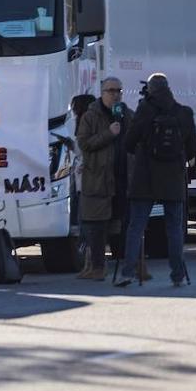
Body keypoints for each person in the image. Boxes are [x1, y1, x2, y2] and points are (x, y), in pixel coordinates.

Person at [118, 73, 196, 287]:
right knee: (174, 228)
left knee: (136, 226)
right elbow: (193, 149)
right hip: (173, 178)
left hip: (145, 178)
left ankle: (127, 272)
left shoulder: (145, 110)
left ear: (150, 90)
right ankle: (178, 274)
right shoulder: (184, 113)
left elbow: (128, 143)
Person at [74, 78, 126, 280]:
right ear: (102, 93)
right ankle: (97, 266)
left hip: (120, 179)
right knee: (94, 226)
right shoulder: (90, 117)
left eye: (118, 90)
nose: (115, 94)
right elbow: (84, 143)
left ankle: (129, 265)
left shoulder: (124, 114)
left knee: (121, 225)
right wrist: (108, 134)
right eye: (111, 90)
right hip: (97, 179)